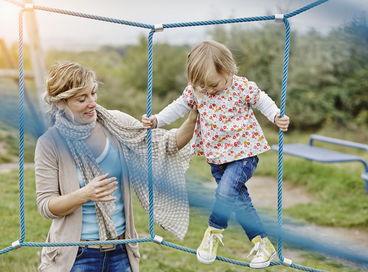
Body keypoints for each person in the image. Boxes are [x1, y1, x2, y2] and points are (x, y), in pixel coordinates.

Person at [35, 61, 197, 272]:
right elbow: (46, 206)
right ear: (60, 103)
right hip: (76, 256)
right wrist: (85, 194)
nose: (92, 102)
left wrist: (194, 117)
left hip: (121, 252)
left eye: (93, 93)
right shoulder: (50, 143)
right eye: (81, 99)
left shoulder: (116, 123)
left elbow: (166, 144)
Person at [142, 40, 290, 269]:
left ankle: (213, 231)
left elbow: (262, 100)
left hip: (244, 153)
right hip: (216, 158)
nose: (207, 90)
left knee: (224, 193)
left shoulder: (241, 87)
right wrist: (157, 120)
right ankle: (263, 245)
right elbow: (178, 106)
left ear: (228, 70)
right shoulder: (197, 90)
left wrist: (276, 116)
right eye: (201, 86)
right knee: (240, 202)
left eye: (212, 84)